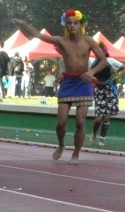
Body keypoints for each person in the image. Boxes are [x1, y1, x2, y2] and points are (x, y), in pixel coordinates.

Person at [10, 11, 107, 164]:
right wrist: (23, 25)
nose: (72, 26)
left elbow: (103, 60)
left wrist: (92, 72)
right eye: (69, 23)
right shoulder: (61, 41)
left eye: (76, 23)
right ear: (65, 25)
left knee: (80, 121)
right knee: (61, 122)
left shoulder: (89, 41)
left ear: (82, 25)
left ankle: (76, 154)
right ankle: (61, 145)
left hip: (84, 82)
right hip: (68, 83)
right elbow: (39, 36)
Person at [90, 54, 125, 146]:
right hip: (99, 91)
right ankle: (94, 133)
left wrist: (116, 78)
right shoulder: (91, 61)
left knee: (106, 117)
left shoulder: (111, 61)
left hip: (110, 90)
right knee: (98, 119)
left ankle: (102, 139)